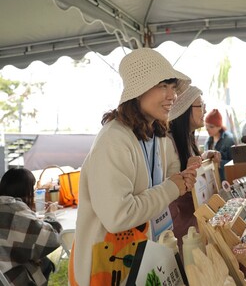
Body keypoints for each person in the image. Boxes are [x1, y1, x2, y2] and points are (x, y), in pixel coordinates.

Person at [69, 48, 199, 286]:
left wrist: (184, 175)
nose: (172, 96)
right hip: (106, 266)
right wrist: (173, 187)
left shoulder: (153, 135)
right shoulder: (113, 140)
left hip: (141, 259)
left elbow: (158, 186)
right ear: (138, 90)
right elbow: (118, 216)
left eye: (173, 87)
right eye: (163, 85)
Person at [167, 85, 220, 255]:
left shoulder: (187, 139)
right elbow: (170, 181)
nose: (205, 110)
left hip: (193, 219)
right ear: (184, 109)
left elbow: (187, 163)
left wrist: (205, 157)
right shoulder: (168, 143)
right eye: (200, 105)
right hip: (182, 227)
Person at [0, 167, 61, 286]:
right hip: (12, 280)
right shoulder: (13, 208)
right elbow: (52, 239)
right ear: (26, 191)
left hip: (3, 274)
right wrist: (51, 217)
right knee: (45, 262)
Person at [204, 108, 235, 181]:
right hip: (213, 180)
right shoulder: (208, 141)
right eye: (206, 126)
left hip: (226, 180)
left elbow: (235, 163)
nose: (208, 129)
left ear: (219, 126)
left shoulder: (229, 140)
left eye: (211, 127)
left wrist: (219, 163)